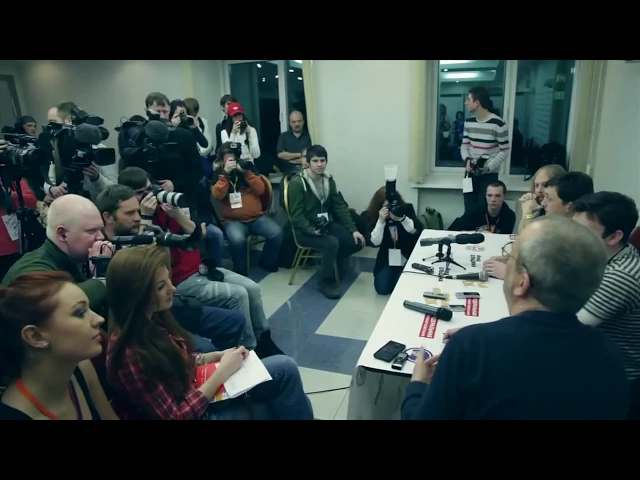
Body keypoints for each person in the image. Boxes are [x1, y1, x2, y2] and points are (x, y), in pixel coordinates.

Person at [402, 216, 630, 420]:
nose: (506, 261)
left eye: (510, 255)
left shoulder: (471, 348)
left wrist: (417, 386)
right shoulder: (610, 356)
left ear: (522, 283)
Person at [104, 245, 314, 420]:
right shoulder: (130, 354)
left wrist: (214, 356)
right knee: (286, 384)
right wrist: (223, 371)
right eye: (161, 286)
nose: (173, 289)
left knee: (286, 375)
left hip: (192, 390)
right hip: (196, 410)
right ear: (138, 294)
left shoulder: (150, 320)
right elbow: (176, 416)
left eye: (168, 280)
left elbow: (177, 360)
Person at [95, 184, 245, 353]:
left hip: (167, 307)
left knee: (235, 321)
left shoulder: (143, 229)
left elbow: (192, 240)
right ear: (108, 217)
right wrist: (145, 222)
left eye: (138, 211)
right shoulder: (102, 250)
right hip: (146, 319)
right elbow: (140, 280)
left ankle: (233, 360)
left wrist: (169, 224)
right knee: (206, 347)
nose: (137, 218)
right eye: (130, 213)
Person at [0, 271, 118, 420]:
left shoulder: (81, 368)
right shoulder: (14, 415)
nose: (99, 319)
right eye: (80, 312)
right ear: (35, 336)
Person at [571, 191, 640, 419]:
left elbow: (564, 329)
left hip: (616, 383)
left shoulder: (621, 277)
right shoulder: (607, 255)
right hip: (594, 359)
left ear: (613, 237)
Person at [1, 194, 107, 315]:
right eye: (91, 231)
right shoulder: (32, 269)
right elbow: (59, 306)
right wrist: (102, 279)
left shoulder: (72, 259)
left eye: (100, 229)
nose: (101, 237)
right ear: (62, 234)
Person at [287, 145, 365, 299]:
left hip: (325, 224)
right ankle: (325, 281)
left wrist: (353, 230)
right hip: (305, 231)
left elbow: (340, 207)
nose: (319, 164)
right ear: (308, 162)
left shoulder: (329, 180)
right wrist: (311, 229)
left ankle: (332, 263)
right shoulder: (297, 184)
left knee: (357, 241)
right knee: (331, 243)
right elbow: (296, 216)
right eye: (315, 161)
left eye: (322, 160)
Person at [211, 143, 283, 275]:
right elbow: (217, 195)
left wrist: (246, 172)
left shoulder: (247, 167)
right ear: (222, 159)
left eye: (233, 156)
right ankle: (240, 269)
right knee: (237, 240)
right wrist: (225, 174)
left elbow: (261, 190)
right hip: (233, 221)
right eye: (228, 157)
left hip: (256, 218)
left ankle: (267, 262)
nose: (231, 160)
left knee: (276, 233)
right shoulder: (218, 173)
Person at [362, 186, 422, 295]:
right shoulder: (370, 215)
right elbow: (375, 242)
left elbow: (418, 231)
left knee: (402, 288)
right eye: (387, 207)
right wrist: (381, 221)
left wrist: (402, 219)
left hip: (406, 254)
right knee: (382, 288)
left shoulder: (406, 209)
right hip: (387, 257)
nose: (391, 210)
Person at [448, 181, 515, 234]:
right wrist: (477, 234)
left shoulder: (509, 215)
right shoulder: (474, 211)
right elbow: (452, 230)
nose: (493, 199)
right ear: (486, 196)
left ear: (504, 197)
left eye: (497, 196)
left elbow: (505, 240)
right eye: (489, 195)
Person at [517, 164, 566, 233]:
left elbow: (532, 238)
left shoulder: (557, 208)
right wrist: (526, 211)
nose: (539, 190)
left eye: (544, 185)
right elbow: (521, 234)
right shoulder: (538, 206)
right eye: (536, 185)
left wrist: (528, 213)